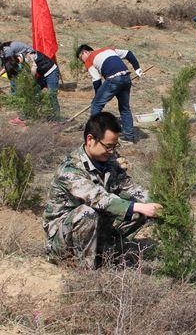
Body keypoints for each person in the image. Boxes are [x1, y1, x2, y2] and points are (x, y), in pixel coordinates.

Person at [43, 112, 162, 268]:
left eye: (115, 146)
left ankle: (106, 253)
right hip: (63, 239)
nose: (112, 151)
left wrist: (155, 203)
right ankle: (85, 268)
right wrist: (137, 206)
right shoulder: (70, 170)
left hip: (96, 224)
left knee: (138, 212)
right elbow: (99, 199)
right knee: (87, 213)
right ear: (90, 140)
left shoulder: (109, 160)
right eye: (108, 146)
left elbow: (128, 187)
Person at [76, 44, 142, 143]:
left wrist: (97, 96)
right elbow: (129, 53)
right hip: (126, 77)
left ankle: (95, 135)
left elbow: (96, 80)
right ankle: (129, 138)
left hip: (113, 79)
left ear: (85, 52)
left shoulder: (89, 59)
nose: (83, 62)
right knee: (124, 108)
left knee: (96, 105)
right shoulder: (108, 49)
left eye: (81, 58)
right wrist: (137, 68)